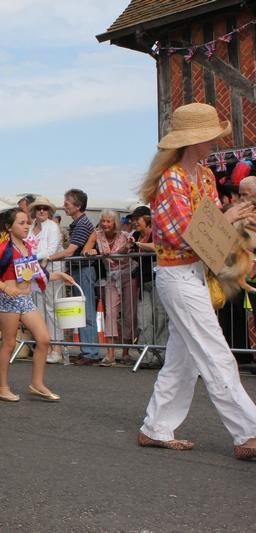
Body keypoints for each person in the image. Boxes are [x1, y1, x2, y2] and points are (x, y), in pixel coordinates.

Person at [137, 102, 256, 460]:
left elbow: (208, 236)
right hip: (178, 276)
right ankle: (248, 431)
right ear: (195, 140)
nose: (215, 142)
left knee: (184, 360)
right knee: (215, 354)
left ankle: (155, 427)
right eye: (211, 137)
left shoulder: (203, 176)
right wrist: (229, 215)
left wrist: (232, 230)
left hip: (193, 276)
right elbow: (184, 235)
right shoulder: (172, 179)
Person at [0, 208, 76, 402]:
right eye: (21, 223)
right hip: (9, 300)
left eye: (27, 223)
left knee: (43, 339)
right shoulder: (4, 248)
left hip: (25, 299)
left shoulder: (27, 248)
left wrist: (60, 275)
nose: (26, 226)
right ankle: (2, 388)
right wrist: (4, 287)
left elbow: (38, 274)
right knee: (8, 344)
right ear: (8, 227)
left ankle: (37, 384)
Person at [47, 189, 99, 364]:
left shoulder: (82, 224)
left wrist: (48, 258)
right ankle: (87, 350)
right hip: (79, 270)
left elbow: (70, 250)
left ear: (77, 206)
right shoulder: (79, 223)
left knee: (87, 311)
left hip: (84, 270)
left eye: (67, 203)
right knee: (83, 310)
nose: (64, 206)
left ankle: (90, 352)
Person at [84, 210, 139, 366]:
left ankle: (126, 352)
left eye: (109, 221)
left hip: (128, 275)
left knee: (129, 313)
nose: (105, 224)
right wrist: (90, 251)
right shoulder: (97, 234)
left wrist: (125, 248)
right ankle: (110, 354)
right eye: (103, 221)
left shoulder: (124, 236)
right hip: (111, 276)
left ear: (115, 223)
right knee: (110, 313)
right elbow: (85, 249)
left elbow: (124, 251)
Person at [25, 197, 65, 364]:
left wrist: (31, 257)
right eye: (39, 208)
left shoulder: (53, 226)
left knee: (52, 308)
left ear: (49, 211)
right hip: (34, 272)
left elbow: (51, 249)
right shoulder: (31, 226)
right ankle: (45, 346)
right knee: (38, 309)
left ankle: (57, 348)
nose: (42, 211)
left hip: (51, 271)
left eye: (45, 208)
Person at [129, 206, 166, 368]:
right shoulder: (136, 235)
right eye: (133, 219)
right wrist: (128, 246)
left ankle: (162, 355)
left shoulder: (157, 231)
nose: (134, 222)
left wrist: (138, 245)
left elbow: (158, 247)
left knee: (160, 318)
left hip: (159, 280)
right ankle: (147, 354)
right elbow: (127, 248)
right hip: (143, 281)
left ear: (147, 219)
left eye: (137, 219)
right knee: (144, 319)